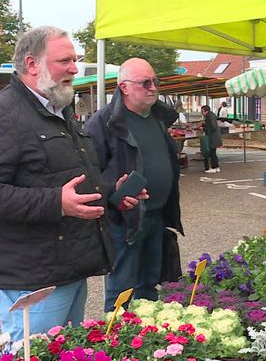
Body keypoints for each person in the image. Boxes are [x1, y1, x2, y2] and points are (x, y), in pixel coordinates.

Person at [0, 26, 141, 342]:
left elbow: (68, 181)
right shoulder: (5, 114)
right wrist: (55, 202)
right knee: (33, 351)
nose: (75, 68)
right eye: (65, 60)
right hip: (33, 281)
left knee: (65, 350)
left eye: (74, 60)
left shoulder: (59, 112)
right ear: (32, 64)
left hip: (70, 270)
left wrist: (113, 194)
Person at [85, 58, 184, 312]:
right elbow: (87, 171)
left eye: (155, 82)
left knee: (149, 285)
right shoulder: (104, 121)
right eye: (145, 83)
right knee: (122, 289)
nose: (153, 87)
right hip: (125, 220)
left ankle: (145, 341)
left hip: (156, 214)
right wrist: (112, 193)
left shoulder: (158, 117)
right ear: (124, 87)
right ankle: (117, 342)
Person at [201, 105, 223, 173]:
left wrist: (204, 128)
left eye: (202, 111)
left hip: (212, 137)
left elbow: (213, 127)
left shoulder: (209, 117)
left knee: (212, 152)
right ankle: (216, 167)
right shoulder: (212, 115)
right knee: (213, 152)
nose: (201, 113)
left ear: (206, 111)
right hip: (215, 136)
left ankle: (214, 167)